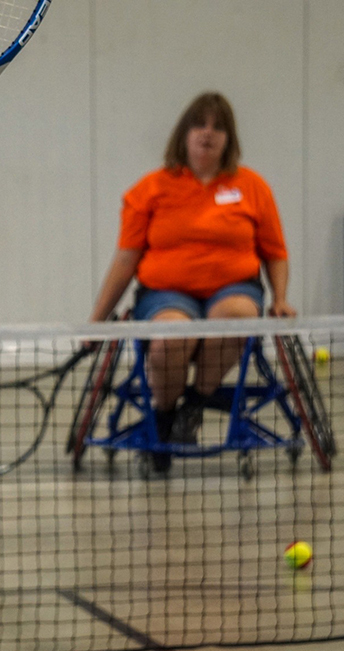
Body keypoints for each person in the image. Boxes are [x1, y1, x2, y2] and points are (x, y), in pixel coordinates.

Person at [89, 92, 295, 471]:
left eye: (218, 127)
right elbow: (125, 259)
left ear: (229, 139)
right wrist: (97, 319)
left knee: (236, 316)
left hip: (235, 289)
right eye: (200, 124)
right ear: (183, 134)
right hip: (166, 294)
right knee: (171, 339)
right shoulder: (150, 189)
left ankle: (194, 406)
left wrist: (280, 298)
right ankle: (165, 417)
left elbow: (276, 253)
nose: (208, 134)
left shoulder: (252, 187)